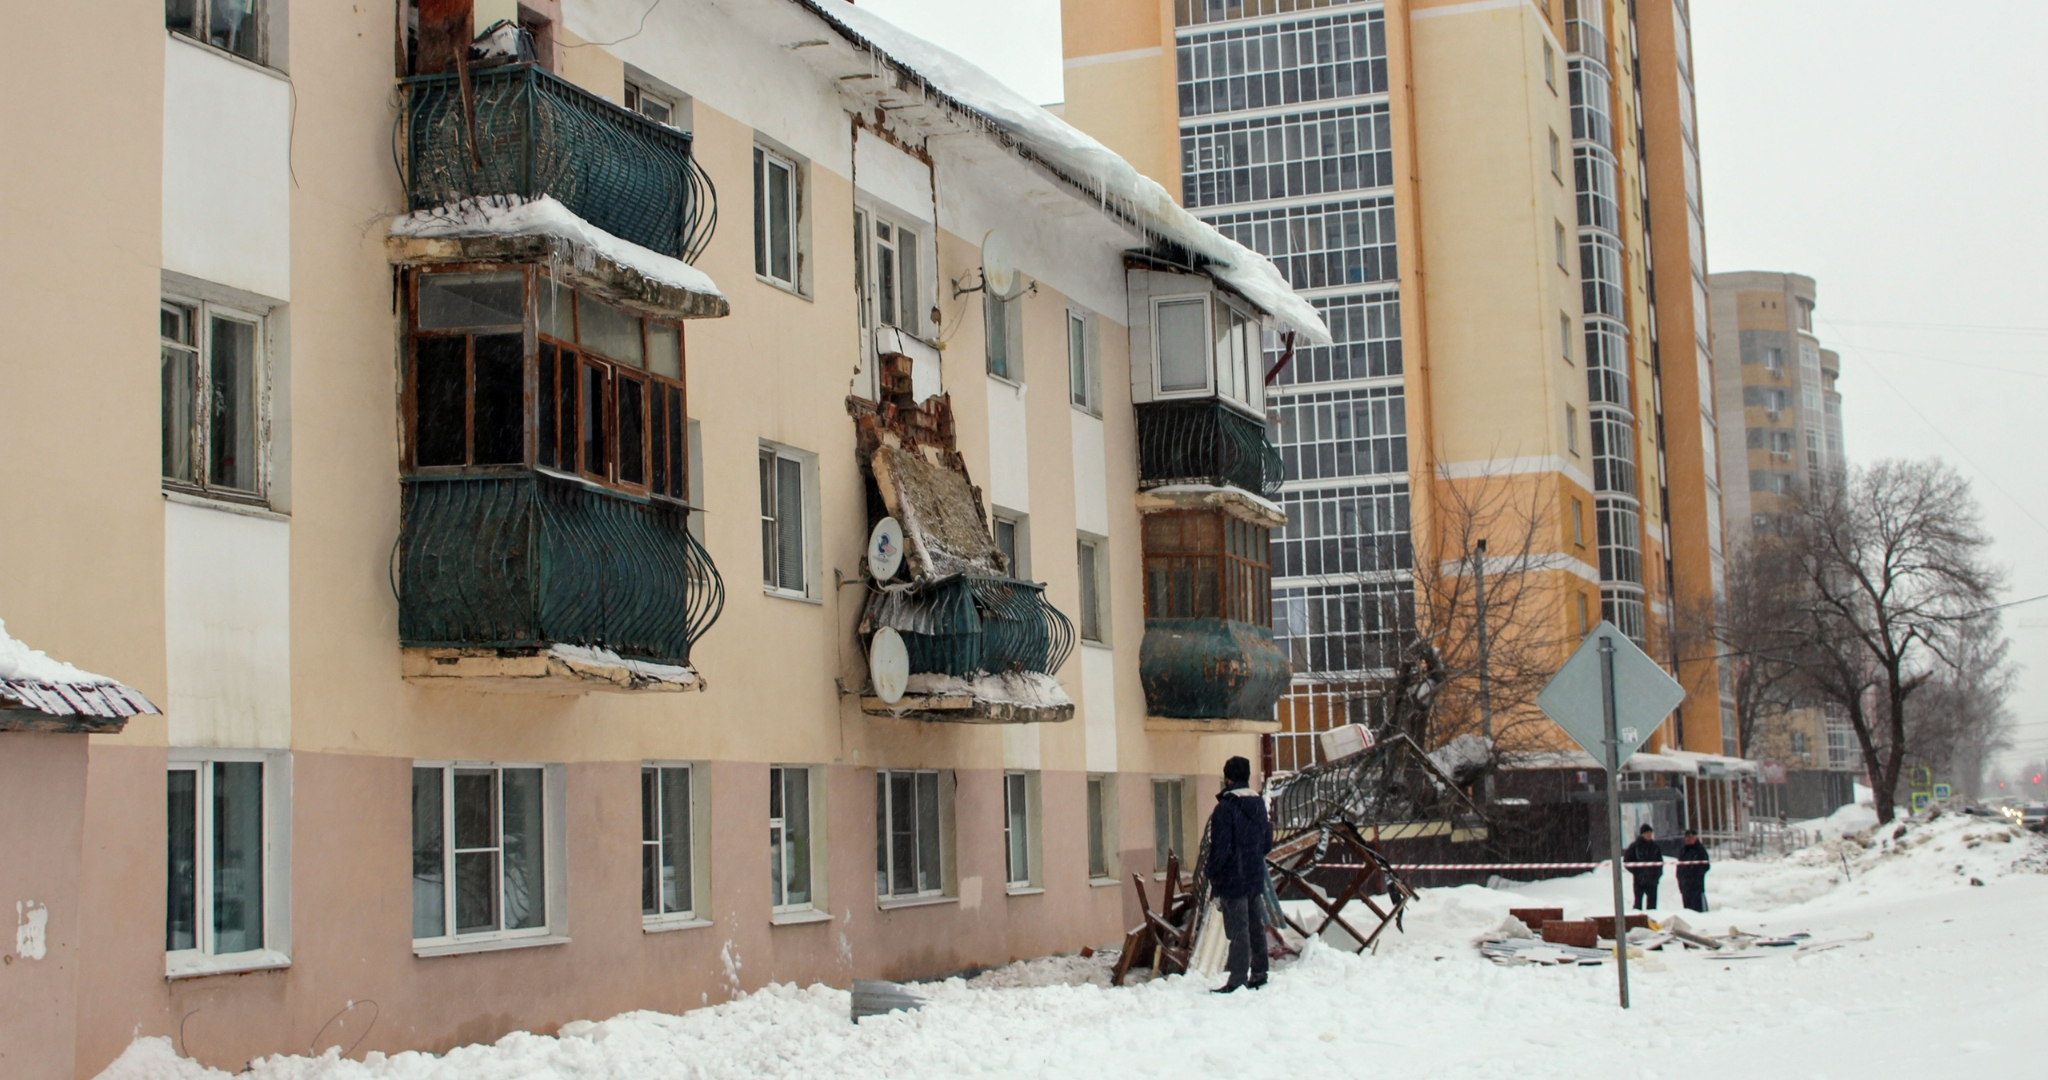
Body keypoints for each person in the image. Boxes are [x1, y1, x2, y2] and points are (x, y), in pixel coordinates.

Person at [1205, 755, 1272, 993]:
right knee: (1255, 926)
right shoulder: (1259, 805)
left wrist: (1212, 872)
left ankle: (1237, 979)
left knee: (1237, 930)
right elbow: (1267, 844)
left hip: (1232, 878)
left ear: (1228, 778)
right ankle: (1260, 972)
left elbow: (1220, 849)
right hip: (1254, 876)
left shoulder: (1225, 808)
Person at [1623, 823, 1664, 910]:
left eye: (1650, 833)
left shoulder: (1655, 847)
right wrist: (1637, 871)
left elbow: (1660, 862)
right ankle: (1638, 921)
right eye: (1647, 833)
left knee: (1652, 905)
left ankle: (1651, 921)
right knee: (1638, 904)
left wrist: (1657, 875)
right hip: (1639, 881)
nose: (1649, 835)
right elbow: (1627, 862)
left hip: (1652, 881)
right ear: (1642, 834)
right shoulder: (1635, 846)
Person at [1676, 828, 1710, 912]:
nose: (1688, 839)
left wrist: (1696, 874)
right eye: (1686, 837)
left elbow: (1706, 866)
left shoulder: (1700, 850)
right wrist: (1680, 880)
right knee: (1688, 911)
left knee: (1699, 911)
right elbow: (1679, 868)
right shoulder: (1683, 851)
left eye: (1691, 837)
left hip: (1696, 887)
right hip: (1685, 886)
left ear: (1695, 838)